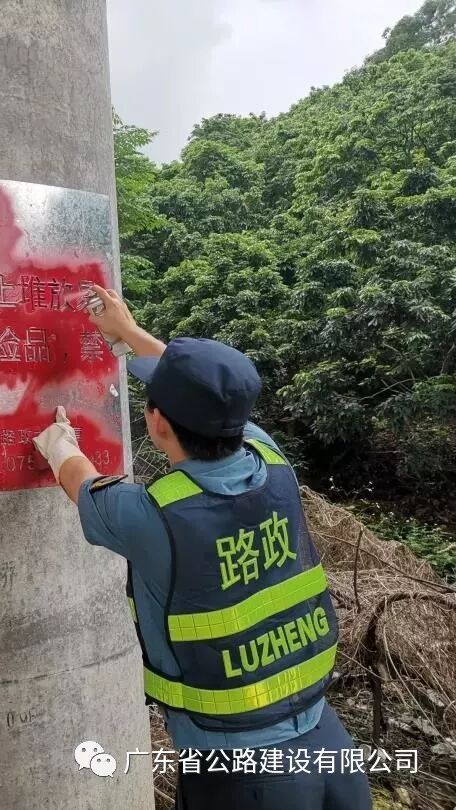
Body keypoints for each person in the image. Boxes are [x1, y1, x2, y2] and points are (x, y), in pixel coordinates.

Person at [32, 288, 371, 809]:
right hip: (327, 743)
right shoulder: (270, 456)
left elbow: (82, 482)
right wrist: (129, 333)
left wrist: (58, 443)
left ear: (156, 423)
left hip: (243, 776)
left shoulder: (154, 516)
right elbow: (216, 394)